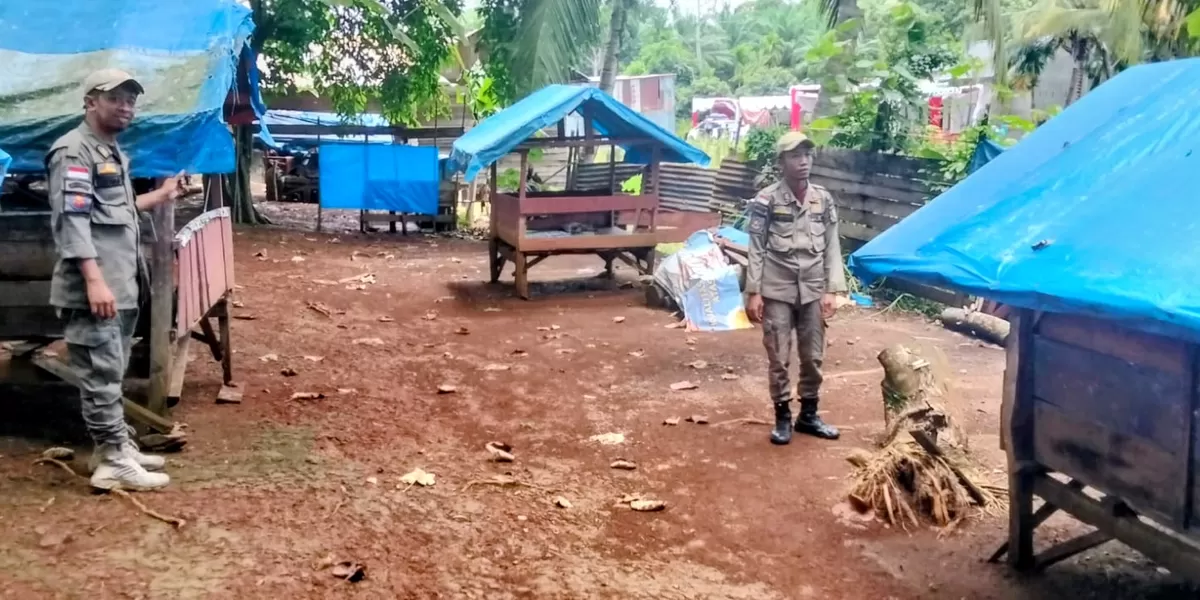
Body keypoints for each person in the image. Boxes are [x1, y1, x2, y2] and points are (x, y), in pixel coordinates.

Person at [46, 68, 185, 490]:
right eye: (115, 99)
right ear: (90, 102)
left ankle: (117, 448)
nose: (126, 107)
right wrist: (93, 280)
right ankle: (111, 461)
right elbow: (72, 221)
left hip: (120, 283)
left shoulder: (109, 151)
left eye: (131, 100)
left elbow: (116, 212)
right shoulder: (74, 152)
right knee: (102, 375)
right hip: (98, 286)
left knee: (113, 371)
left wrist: (160, 197)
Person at [744, 132, 848, 445]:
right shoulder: (767, 200)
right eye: (794, 156)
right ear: (781, 162)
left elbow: (832, 246)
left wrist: (833, 289)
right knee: (778, 356)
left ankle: (809, 414)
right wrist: (754, 292)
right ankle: (782, 418)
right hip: (777, 289)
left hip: (814, 289)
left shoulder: (822, 199)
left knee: (813, 356)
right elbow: (756, 248)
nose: (803, 162)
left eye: (807, 155)